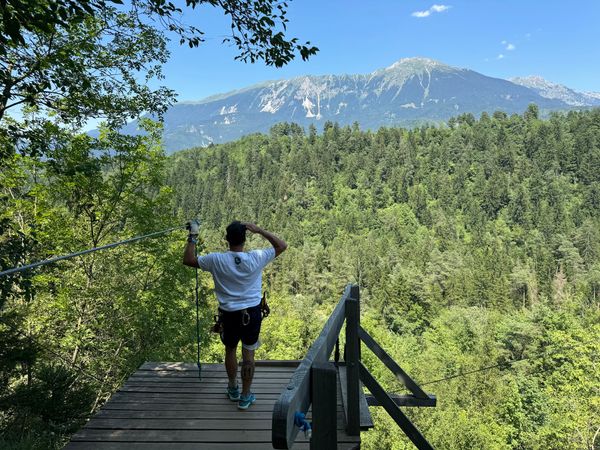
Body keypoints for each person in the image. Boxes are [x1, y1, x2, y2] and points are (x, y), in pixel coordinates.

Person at [182, 220, 287, 409]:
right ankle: (245, 396)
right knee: (248, 354)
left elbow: (188, 260)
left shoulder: (216, 260)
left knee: (230, 349)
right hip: (252, 313)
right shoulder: (257, 257)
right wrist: (259, 230)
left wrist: (193, 236)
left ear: (226, 239)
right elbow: (282, 246)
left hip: (228, 314)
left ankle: (232, 388)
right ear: (245, 239)